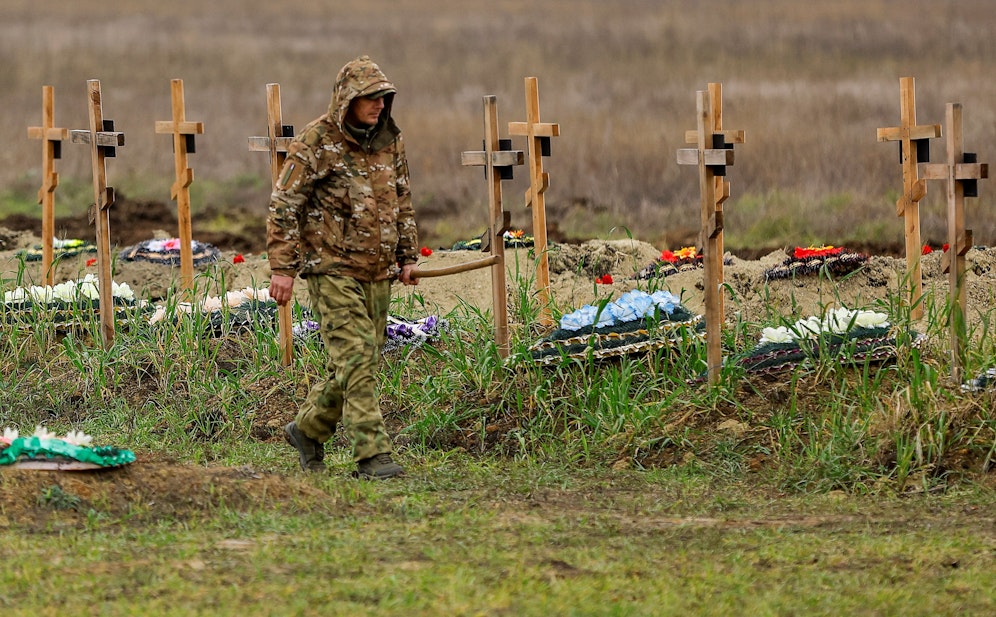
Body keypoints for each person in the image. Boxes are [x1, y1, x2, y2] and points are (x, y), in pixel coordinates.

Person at [266, 55, 419, 479]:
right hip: (330, 268)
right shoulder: (316, 140)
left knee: (360, 360)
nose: (379, 105)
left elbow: (402, 201)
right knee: (356, 358)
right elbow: (284, 206)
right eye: (370, 97)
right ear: (347, 99)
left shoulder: (391, 141)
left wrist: (408, 256)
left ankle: (307, 429)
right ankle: (373, 455)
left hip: (377, 270)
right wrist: (283, 268)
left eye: (384, 97)